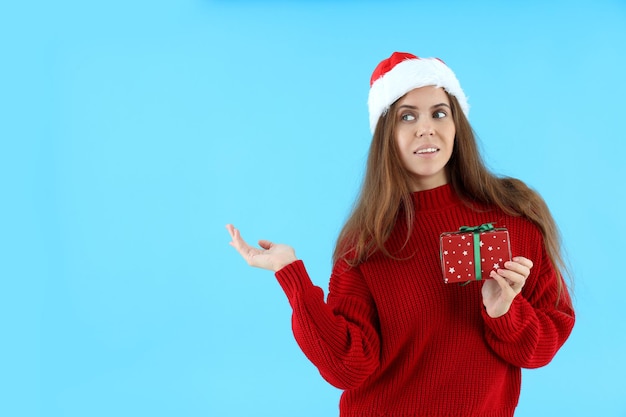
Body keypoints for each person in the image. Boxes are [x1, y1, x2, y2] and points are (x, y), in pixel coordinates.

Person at [226, 52, 575, 417]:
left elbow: (542, 346)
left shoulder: (513, 218)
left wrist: (504, 312)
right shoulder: (367, 241)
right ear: (386, 134)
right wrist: (292, 275)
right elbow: (348, 366)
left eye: (439, 112)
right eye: (407, 116)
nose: (426, 128)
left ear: (457, 124)